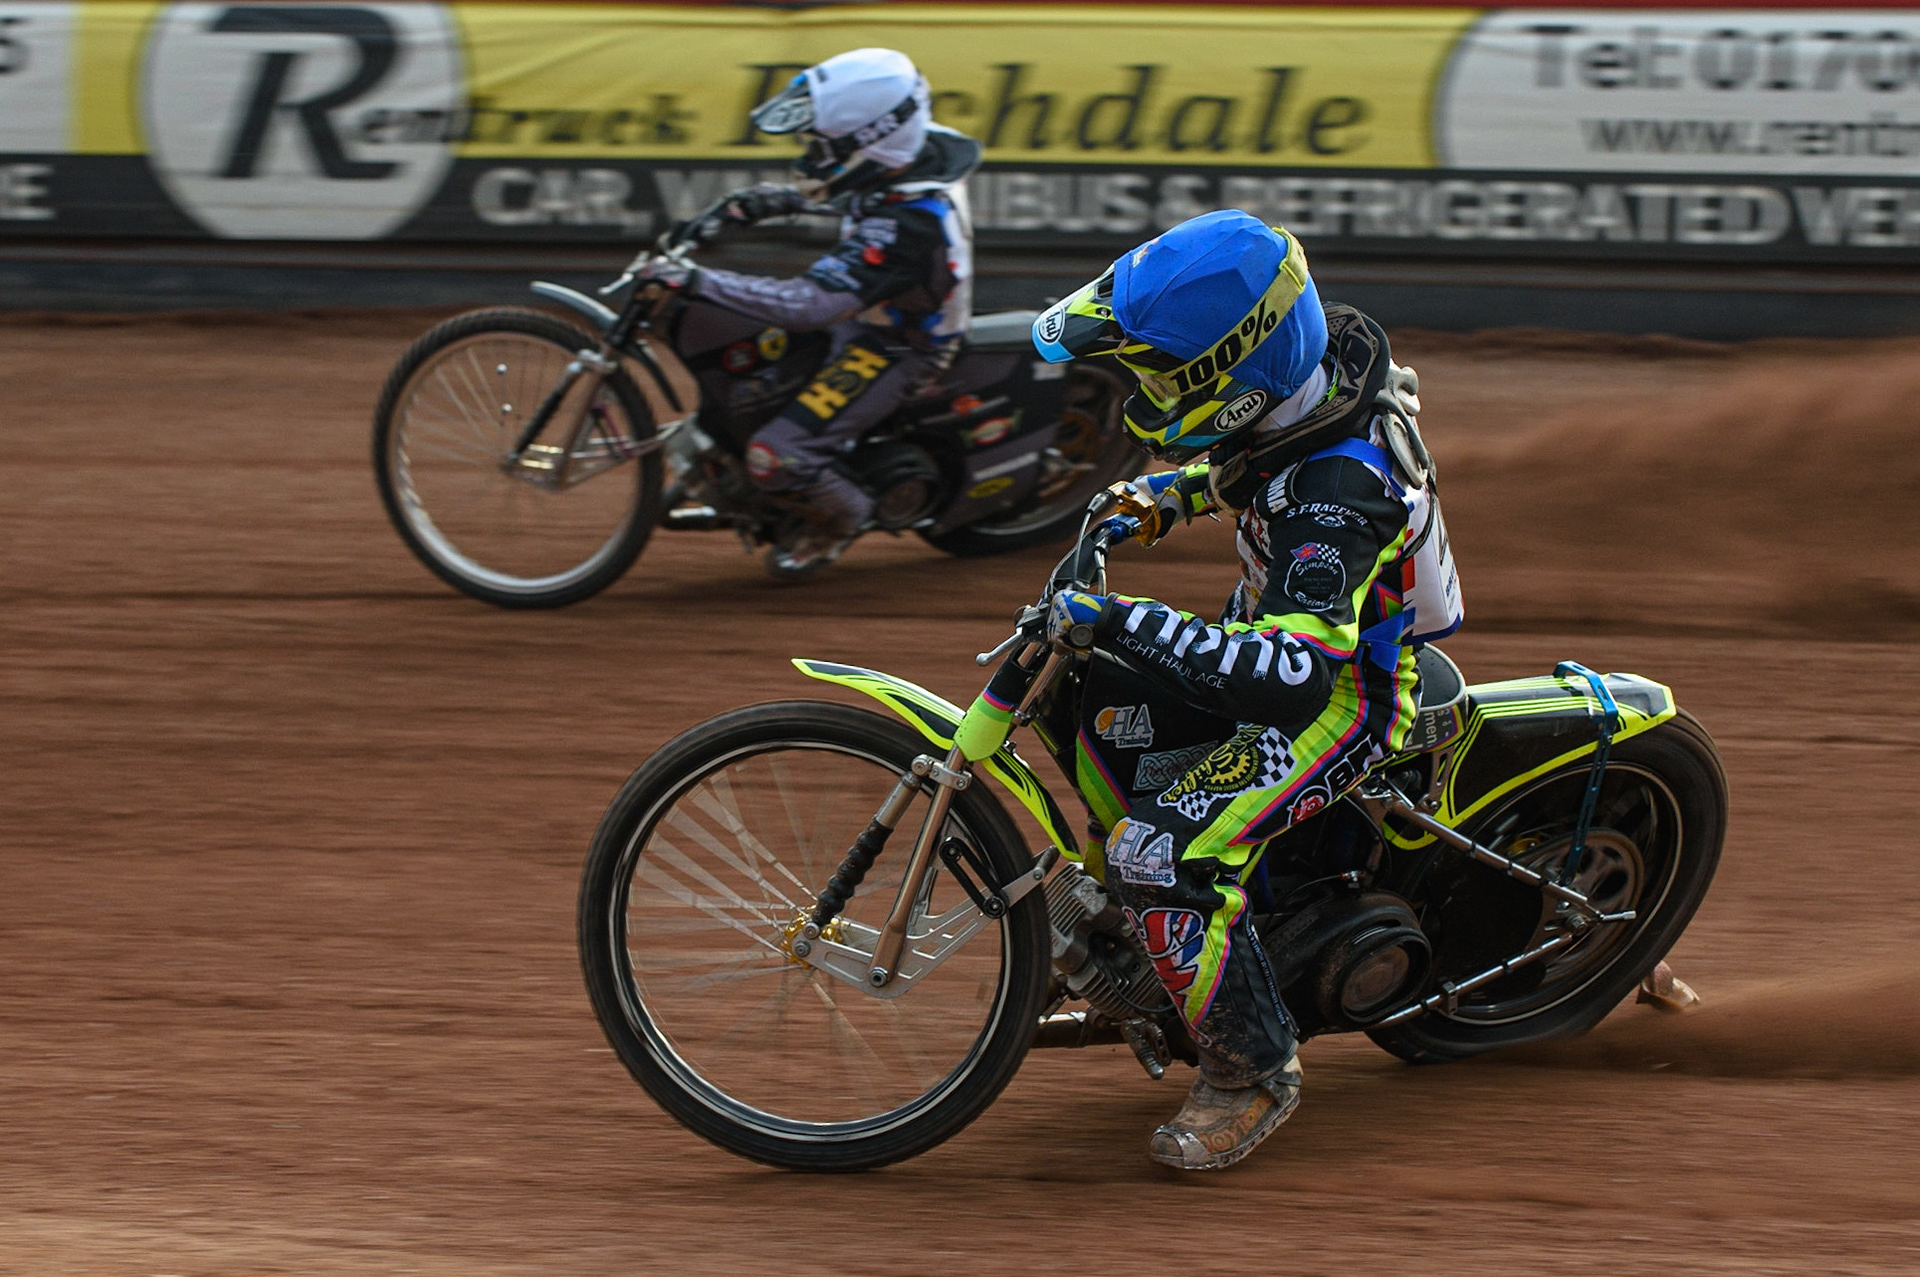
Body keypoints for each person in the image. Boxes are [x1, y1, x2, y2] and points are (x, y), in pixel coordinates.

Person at [1029, 209, 1463, 1170]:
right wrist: (1162, 496)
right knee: (1090, 698)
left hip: (1341, 703)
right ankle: (1167, 947)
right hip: (1272, 650)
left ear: (1231, 377)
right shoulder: (1301, 400)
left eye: (1157, 376)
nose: (1140, 391)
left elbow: (1292, 679)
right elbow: (1244, 471)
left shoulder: (1335, 496)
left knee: (1159, 849)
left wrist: (1126, 616)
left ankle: (1255, 1068)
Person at [645, 47, 980, 577]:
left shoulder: (910, 223)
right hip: (868, 316)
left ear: (869, 140)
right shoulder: (917, 151)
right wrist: (760, 203)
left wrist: (699, 281)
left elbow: (812, 305)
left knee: (775, 454)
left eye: (817, 143)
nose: (807, 153)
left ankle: (842, 518)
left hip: (898, 346)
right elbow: (844, 188)